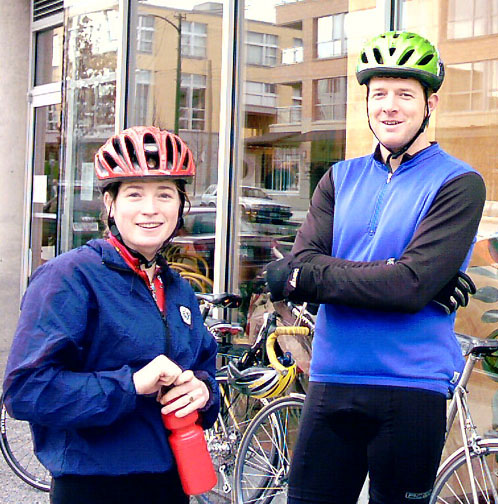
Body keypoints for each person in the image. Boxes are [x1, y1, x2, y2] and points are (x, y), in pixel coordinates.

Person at [265, 31, 486, 504]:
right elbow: (289, 272)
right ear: (365, 103)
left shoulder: (459, 182)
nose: (389, 107)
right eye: (379, 94)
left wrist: (319, 277)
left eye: (405, 94)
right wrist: (395, 275)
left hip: (411, 387)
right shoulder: (339, 178)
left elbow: (406, 287)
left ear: (430, 104)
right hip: (331, 379)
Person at [2, 126, 219, 504]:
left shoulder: (178, 289)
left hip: (172, 482)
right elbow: (26, 391)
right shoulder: (69, 278)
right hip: (94, 487)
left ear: (180, 205)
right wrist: (130, 385)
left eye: (164, 194)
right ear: (110, 204)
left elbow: (204, 368)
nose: (150, 208)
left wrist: (203, 391)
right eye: (134, 194)